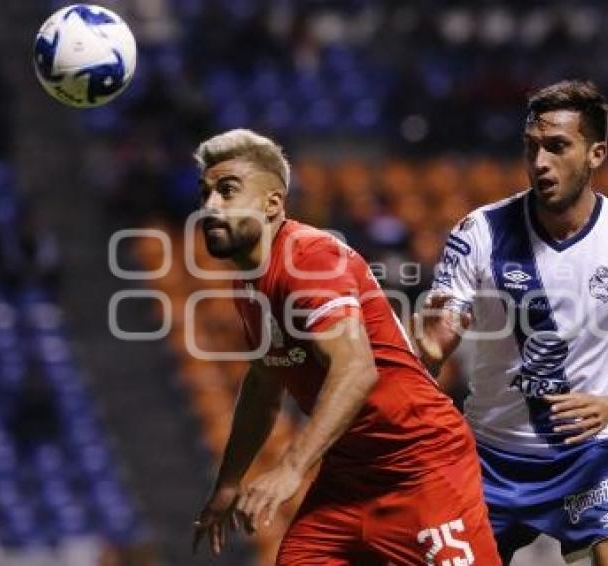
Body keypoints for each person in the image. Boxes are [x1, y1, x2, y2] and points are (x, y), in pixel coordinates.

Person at [413, 80, 608, 565]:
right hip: (489, 456)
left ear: (596, 153)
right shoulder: (478, 231)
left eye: (557, 147)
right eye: (531, 147)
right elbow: (436, 340)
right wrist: (416, 350)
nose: (540, 162)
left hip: (588, 455)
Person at [190, 129, 500, 564]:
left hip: (420, 468)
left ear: (272, 203)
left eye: (227, 191)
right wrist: (228, 483)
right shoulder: (250, 283)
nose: (210, 206)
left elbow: (356, 369)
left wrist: (290, 469)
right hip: (348, 481)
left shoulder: (309, 258)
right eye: (204, 193)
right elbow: (264, 384)